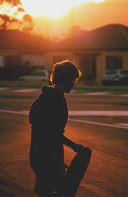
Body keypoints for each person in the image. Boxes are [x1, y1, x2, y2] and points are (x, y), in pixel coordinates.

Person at [29, 60, 86, 197]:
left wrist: (58, 161)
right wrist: (74, 146)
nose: (73, 84)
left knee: (48, 192)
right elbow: (53, 134)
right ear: (66, 79)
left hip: (41, 155)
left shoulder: (45, 97)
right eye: (73, 80)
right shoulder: (55, 100)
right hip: (46, 156)